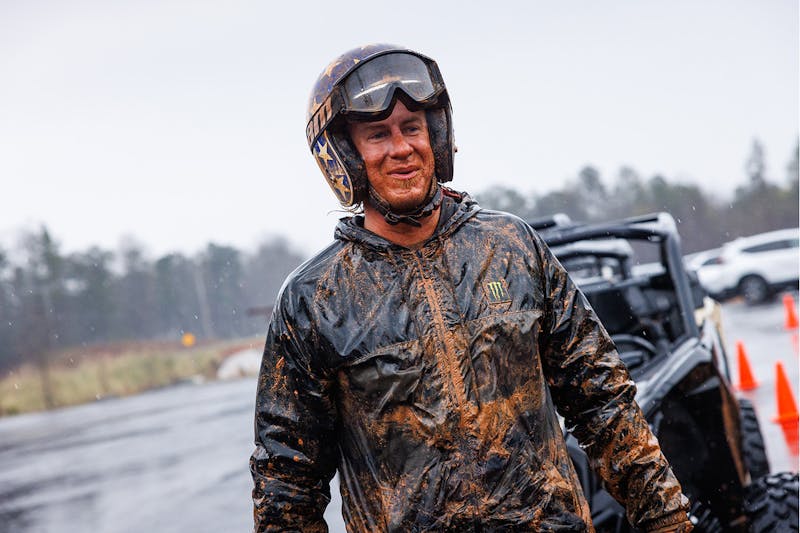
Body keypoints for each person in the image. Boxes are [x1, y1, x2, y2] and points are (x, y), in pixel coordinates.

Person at [250, 44, 693, 533]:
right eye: (377, 135)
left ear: (437, 136)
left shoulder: (512, 247)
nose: (402, 148)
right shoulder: (315, 300)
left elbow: (604, 404)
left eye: (412, 127)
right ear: (344, 156)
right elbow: (287, 482)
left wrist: (669, 522)